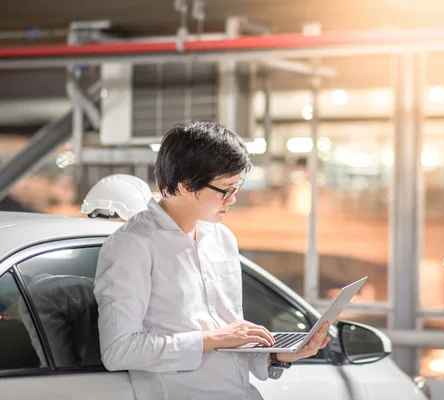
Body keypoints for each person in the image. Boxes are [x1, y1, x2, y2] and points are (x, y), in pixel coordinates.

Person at [94, 121, 330, 400]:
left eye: (236, 186)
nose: (232, 199)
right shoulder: (133, 245)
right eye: (225, 189)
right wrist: (212, 339)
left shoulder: (222, 239)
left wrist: (278, 356)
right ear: (184, 185)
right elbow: (119, 351)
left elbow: (230, 340)